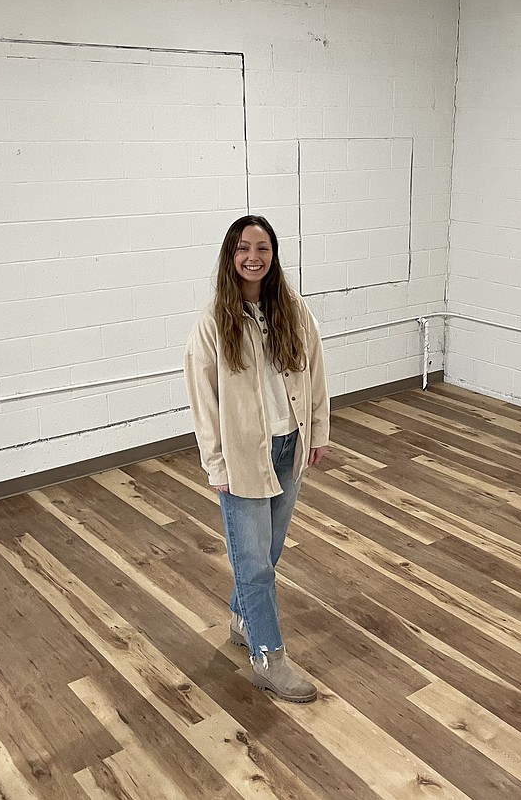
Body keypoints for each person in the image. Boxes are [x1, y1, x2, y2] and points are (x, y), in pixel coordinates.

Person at [184, 214, 330, 703]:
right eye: (244, 247)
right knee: (254, 564)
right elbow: (203, 403)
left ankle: (244, 619)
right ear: (231, 256)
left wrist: (317, 430)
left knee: (266, 553)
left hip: (288, 447)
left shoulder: (292, 310)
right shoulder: (211, 325)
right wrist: (216, 466)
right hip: (244, 456)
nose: (253, 256)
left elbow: (316, 373)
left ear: (273, 255)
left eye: (262, 247)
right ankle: (270, 658)